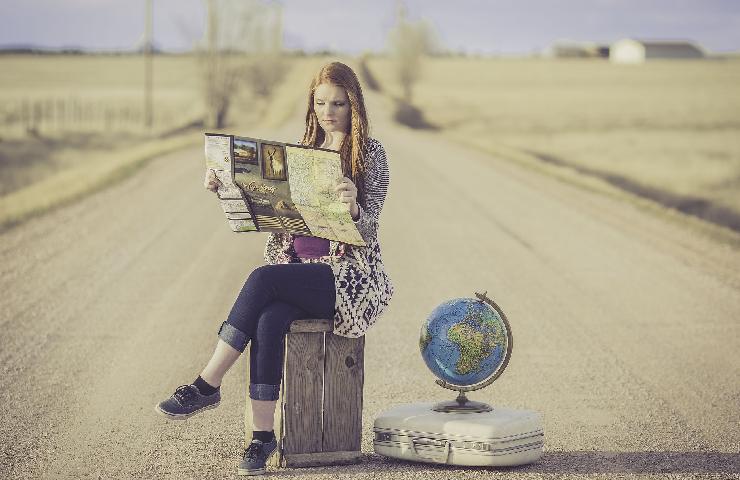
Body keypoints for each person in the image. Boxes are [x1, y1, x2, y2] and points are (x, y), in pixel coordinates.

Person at [155, 61, 394, 476]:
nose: (328, 111)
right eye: (320, 102)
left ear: (354, 105)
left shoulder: (371, 155)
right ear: (311, 105)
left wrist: (354, 206)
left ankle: (206, 384)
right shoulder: (301, 151)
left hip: (346, 278)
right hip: (297, 268)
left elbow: (371, 229)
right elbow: (266, 204)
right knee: (269, 318)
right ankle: (261, 439)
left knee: (261, 279)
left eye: (338, 103)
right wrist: (224, 185)